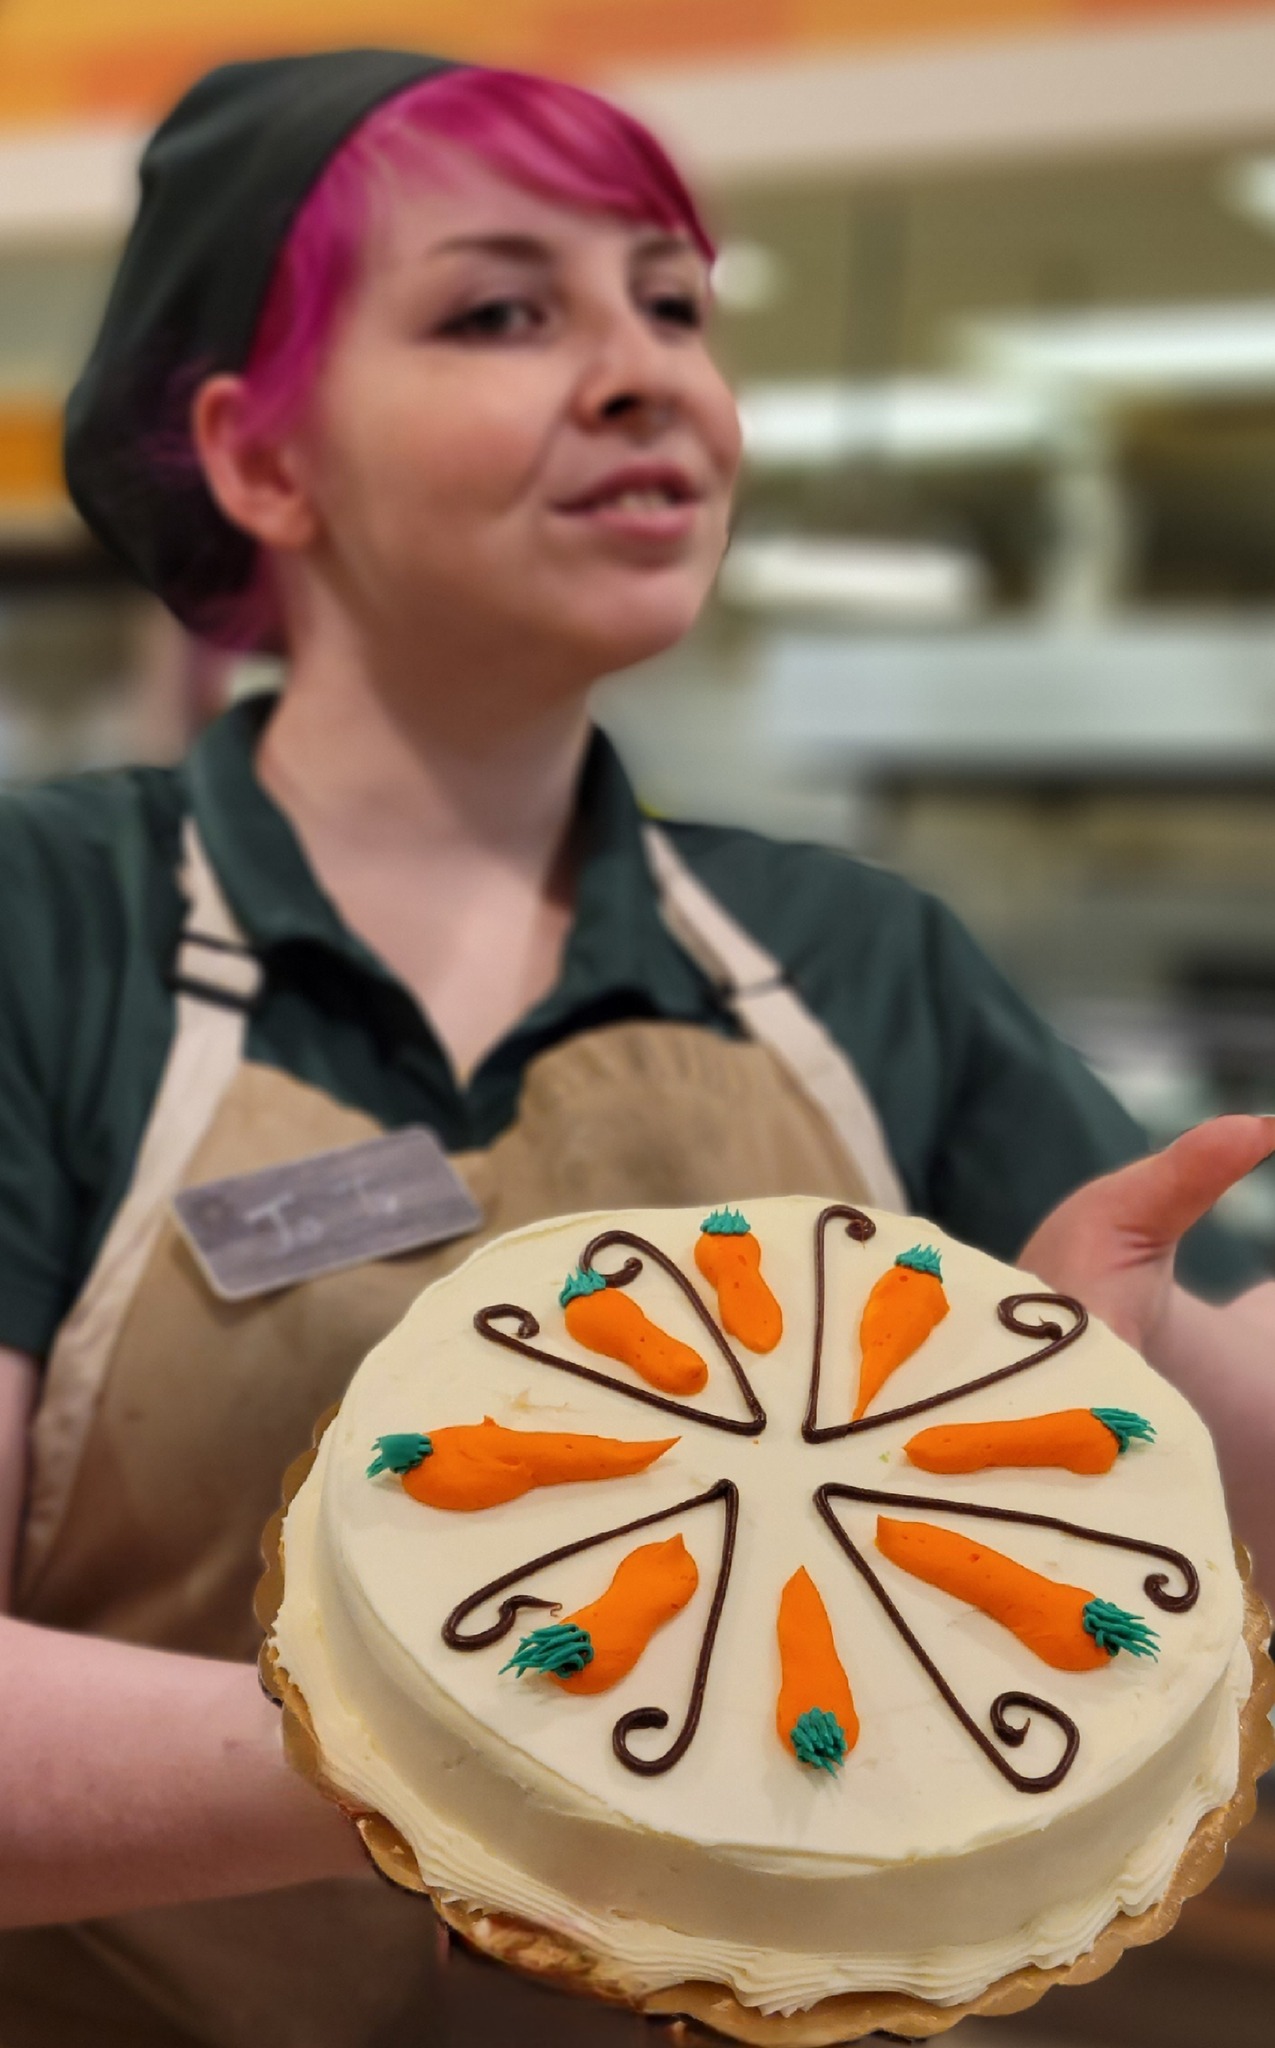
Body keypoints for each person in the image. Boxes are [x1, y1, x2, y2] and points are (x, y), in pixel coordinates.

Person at [0, 47, 1271, 2048]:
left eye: (672, 303)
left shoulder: (848, 957)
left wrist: (1136, 1358)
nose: (643, 374)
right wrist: (517, 1765)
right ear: (261, 458)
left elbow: (1220, 1460)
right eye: (501, 312)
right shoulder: (45, 926)